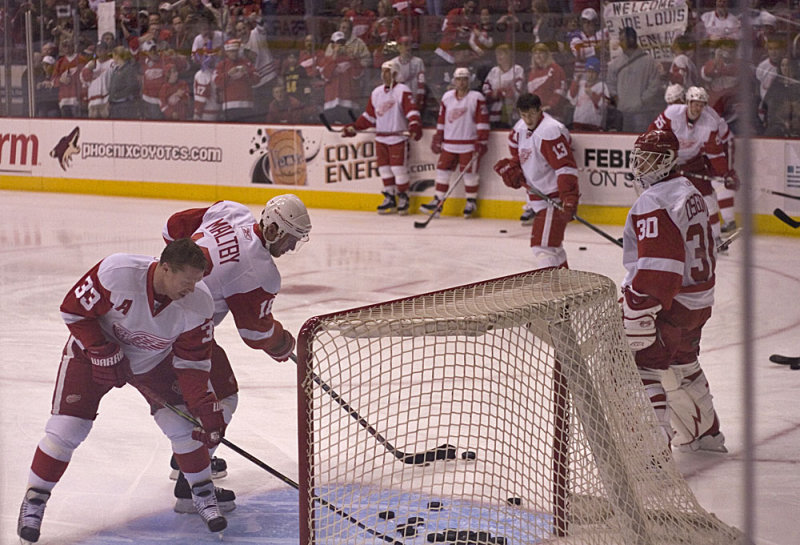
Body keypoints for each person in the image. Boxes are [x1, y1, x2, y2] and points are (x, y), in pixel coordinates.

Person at [16, 239, 230, 543]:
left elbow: (192, 362)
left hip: (153, 362)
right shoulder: (118, 272)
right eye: (187, 280)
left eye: (197, 281)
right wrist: (99, 348)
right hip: (90, 355)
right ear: (165, 268)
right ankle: (34, 501)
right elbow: (74, 310)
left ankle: (201, 494)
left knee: (183, 425)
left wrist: (202, 405)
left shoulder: (198, 303)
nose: (192, 288)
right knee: (67, 429)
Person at [161, 196, 311, 484]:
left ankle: (187, 456)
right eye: (290, 239)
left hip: (154, 306)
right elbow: (255, 333)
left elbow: (173, 227)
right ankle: (194, 473)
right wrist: (284, 345)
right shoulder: (260, 272)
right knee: (224, 395)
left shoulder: (231, 210)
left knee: (202, 394)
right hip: (183, 334)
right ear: (274, 230)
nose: (291, 247)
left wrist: (176, 277)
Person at [621, 128, 726, 454]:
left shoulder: (654, 200)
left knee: (641, 366)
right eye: (640, 156)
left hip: (671, 303)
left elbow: (661, 266)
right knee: (683, 365)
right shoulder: (688, 189)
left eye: (650, 158)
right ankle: (706, 436)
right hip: (699, 301)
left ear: (667, 161)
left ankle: (651, 454)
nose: (641, 164)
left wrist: (639, 306)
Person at [493, 93, 579, 268]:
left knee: (543, 246)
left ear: (540, 110)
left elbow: (565, 167)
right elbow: (524, 157)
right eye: (523, 115)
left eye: (531, 113)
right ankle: (566, 286)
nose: (528, 119)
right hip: (539, 198)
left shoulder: (549, 131)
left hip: (553, 199)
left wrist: (569, 197)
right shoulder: (521, 129)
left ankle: (552, 289)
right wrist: (513, 168)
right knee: (553, 247)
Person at [648, 85, 739, 244]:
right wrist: (655, 160)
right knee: (661, 198)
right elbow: (653, 134)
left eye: (701, 104)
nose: (697, 108)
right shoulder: (672, 113)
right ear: (687, 102)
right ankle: (657, 235)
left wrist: (725, 173)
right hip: (670, 162)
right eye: (694, 103)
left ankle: (715, 239)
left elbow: (715, 153)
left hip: (693, 162)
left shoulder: (709, 123)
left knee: (708, 198)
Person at [343, 59, 423, 215]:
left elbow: (412, 111)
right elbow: (369, 117)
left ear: (395, 73)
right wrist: (354, 127)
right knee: (385, 170)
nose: (385, 75)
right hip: (381, 138)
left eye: (388, 72)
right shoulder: (376, 93)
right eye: (383, 72)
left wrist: (414, 125)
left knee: (398, 169)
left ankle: (403, 197)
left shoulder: (402, 90)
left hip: (397, 138)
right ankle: (390, 197)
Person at [420, 67, 489, 219]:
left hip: (469, 144)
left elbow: (482, 121)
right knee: (442, 171)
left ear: (469, 80)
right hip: (449, 144)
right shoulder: (447, 98)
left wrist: (481, 140)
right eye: (459, 79)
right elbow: (442, 119)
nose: (461, 82)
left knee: (470, 174)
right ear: (454, 81)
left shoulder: (476, 98)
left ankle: (471, 201)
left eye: (464, 79)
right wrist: (439, 137)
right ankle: (438, 201)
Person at [607, 26, 667, 133]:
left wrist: (641, 101)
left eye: (622, 40)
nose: (620, 43)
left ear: (631, 39)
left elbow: (654, 85)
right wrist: (617, 99)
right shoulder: (615, 63)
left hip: (642, 113)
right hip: (622, 113)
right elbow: (611, 83)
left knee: (641, 143)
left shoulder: (649, 61)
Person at [482, 44, 525, 129]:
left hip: (513, 112)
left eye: (501, 54)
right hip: (494, 113)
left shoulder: (517, 69)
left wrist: (498, 92)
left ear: (509, 55)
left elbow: (516, 90)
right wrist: (497, 93)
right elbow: (485, 90)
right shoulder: (494, 71)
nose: (498, 56)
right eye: (497, 54)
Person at [214, 39, 257, 122]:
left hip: (247, 104)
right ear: (227, 52)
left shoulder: (246, 63)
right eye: (231, 51)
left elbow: (257, 79)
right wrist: (228, 74)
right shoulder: (222, 65)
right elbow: (217, 82)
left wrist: (247, 72)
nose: (234, 53)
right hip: (230, 105)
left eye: (235, 51)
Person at [567, 55, 609, 131]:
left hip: (593, 125)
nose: (590, 75)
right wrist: (575, 82)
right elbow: (571, 97)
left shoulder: (602, 86)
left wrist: (592, 95)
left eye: (593, 72)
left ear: (597, 73)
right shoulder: (581, 84)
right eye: (589, 72)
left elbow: (603, 106)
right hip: (578, 123)